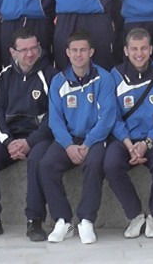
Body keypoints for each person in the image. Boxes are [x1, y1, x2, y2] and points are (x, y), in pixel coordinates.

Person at [0, 29, 56, 241]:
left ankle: (34, 221)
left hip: (38, 136)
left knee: (36, 160)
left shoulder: (51, 75)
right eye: (24, 50)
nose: (30, 54)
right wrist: (8, 141)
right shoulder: (4, 76)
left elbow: (54, 115)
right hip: (10, 135)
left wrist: (29, 142)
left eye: (34, 48)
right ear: (13, 52)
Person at [39, 31, 116, 245]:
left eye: (83, 50)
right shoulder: (58, 81)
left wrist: (88, 143)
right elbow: (55, 120)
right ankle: (63, 220)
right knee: (46, 165)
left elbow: (107, 118)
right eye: (74, 50)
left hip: (95, 138)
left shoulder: (104, 78)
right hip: (69, 139)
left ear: (91, 52)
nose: (78, 54)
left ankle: (86, 220)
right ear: (67, 53)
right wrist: (68, 145)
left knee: (94, 164)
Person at [105, 29, 153, 239]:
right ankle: (135, 216)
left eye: (144, 48)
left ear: (151, 49)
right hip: (125, 139)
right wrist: (128, 143)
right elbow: (112, 116)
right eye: (134, 49)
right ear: (126, 51)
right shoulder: (115, 75)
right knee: (110, 164)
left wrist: (147, 142)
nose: (139, 54)